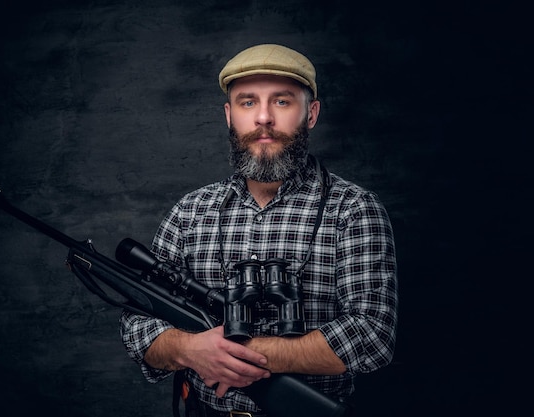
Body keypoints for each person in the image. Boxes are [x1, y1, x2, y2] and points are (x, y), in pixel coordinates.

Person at [120, 44, 398, 417]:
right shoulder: (190, 211)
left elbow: (372, 336)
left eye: (282, 102)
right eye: (247, 103)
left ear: (311, 113)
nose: (263, 118)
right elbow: (137, 322)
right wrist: (190, 349)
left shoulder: (353, 209)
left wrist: (235, 355)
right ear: (229, 115)